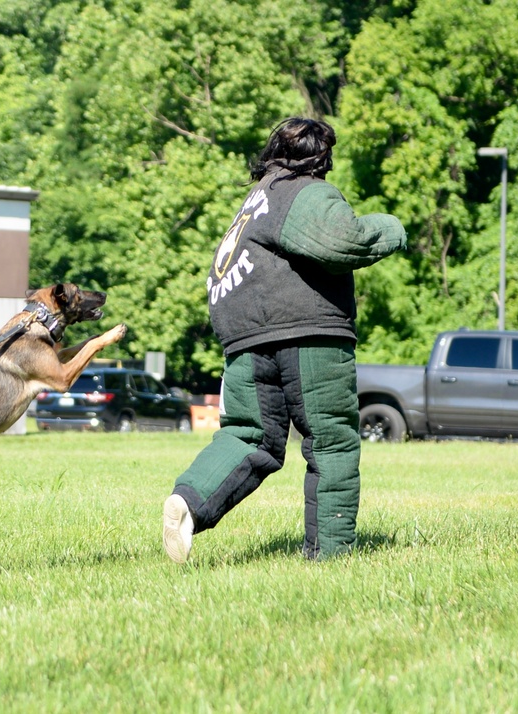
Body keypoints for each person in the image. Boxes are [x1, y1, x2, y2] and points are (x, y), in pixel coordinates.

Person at [162, 117, 406, 563]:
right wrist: (390, 228)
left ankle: (188, 503)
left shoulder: (254, 202)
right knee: (331, 441)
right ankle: (330, 556)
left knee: (249, 436)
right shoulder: (303, 191)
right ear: (320, 159)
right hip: (307, 332)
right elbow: (342, 240)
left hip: (243, 338)